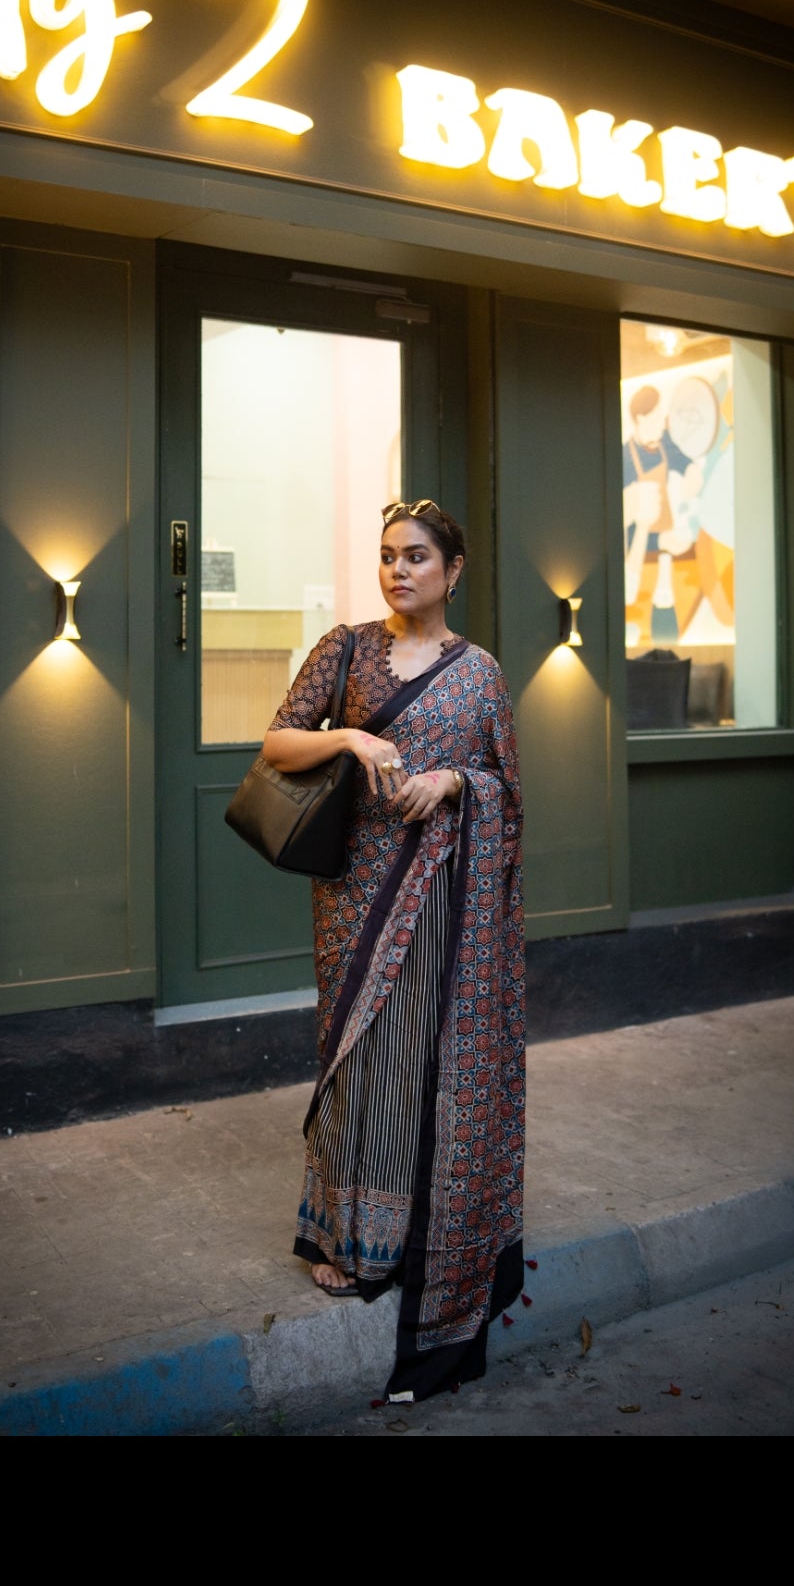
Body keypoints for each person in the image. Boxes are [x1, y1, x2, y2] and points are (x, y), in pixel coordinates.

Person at [260, 497, 525, 1404]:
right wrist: (347, 734)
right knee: (357, 1058)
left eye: (417, 557)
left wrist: (456, 780)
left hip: (443, 894)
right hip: (353, 895)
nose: (398, 570)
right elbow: (276, 741)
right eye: (387, 556)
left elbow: (508, 791)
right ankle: (345, 1240)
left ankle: (421, 1239)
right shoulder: (344, 650)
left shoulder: (481, 674)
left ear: (453, 572)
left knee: (420, 1065)